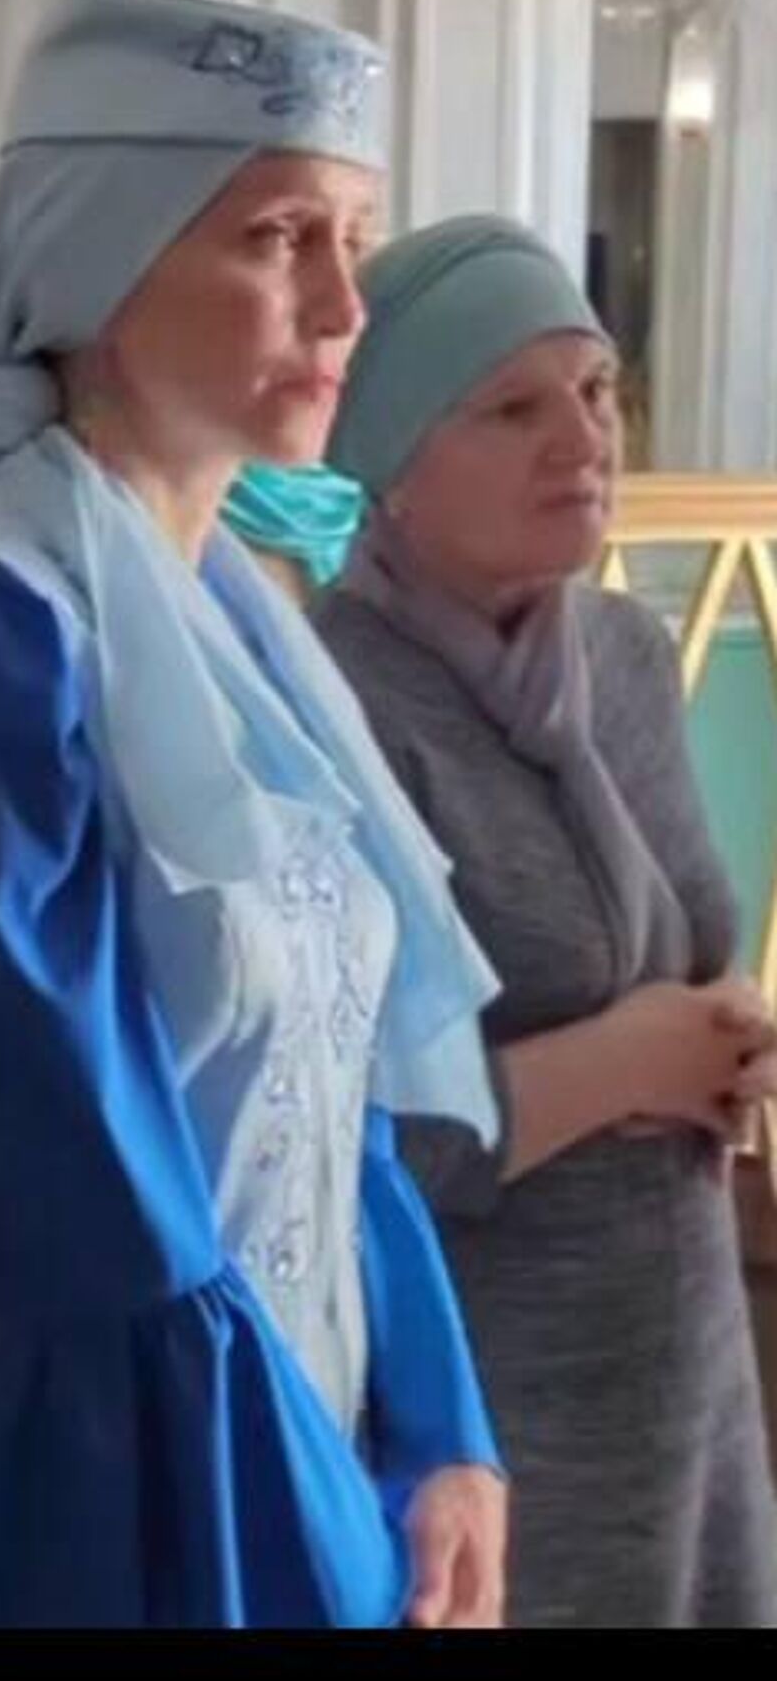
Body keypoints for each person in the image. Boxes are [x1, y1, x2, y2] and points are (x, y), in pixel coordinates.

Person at [0, 0, 508, 1629]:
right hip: (115, 1494)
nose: (344, 305)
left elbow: (330, 1100)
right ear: (95, 263)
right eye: (278, 239)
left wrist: (444, 1436)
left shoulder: (252, 640)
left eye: (354, 239)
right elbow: (99, 1213)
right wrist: (330, 1542)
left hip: (306, 1456)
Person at [315, 213, 777, 1627]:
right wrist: (628, 1063)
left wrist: (729, 1044)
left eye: (595, 391)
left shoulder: (623, 652)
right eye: (513, 410)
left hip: (682, 1354)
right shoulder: (337, 699)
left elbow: (676, 958)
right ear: (391, 462)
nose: (583, 440)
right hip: (483, 1393)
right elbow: (337, 1138)